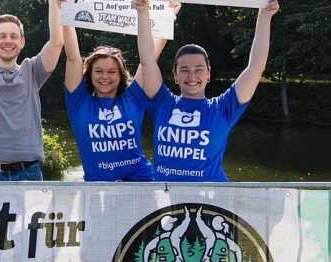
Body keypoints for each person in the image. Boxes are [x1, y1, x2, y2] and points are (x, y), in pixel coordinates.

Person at [142, 0, 280, 182]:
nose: (192, 76)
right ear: (175, 75)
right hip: (165, 199)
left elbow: (255, 68)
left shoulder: (223, 107)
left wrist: (265, 16)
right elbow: (147, 62)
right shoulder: (162, 103)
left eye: (199, 69)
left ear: (208, 73)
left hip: (211, 200)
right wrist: (144, 13)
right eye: (184, 70)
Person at [63, 0, 180, 181]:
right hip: (98, 191)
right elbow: (73, 59)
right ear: (90, 74)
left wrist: (168, 17)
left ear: (120, 75)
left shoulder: (133, 97)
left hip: (141, 184)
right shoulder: (79, 102)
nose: (105, 77)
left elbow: (150, 57)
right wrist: (67, 11)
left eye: (112, 72)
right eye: (99, 71)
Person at [0, 0, 64, 181]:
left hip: (28, 173)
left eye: (13, 36)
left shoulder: (33, 70)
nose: (8, 40)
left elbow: (57, 43)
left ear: (22, 41)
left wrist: (53, 4)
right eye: (2, 36)